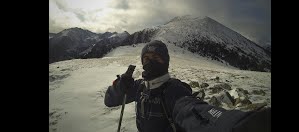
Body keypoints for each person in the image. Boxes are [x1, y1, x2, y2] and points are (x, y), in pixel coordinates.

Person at [104, 40, 271, 132]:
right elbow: (109, 101)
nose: (150, 61)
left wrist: (239, 124)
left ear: (166, 62)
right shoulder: (139, 86)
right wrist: (120, 86)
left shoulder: (173, 90)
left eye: (156, 57)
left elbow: (196, 111)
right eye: (146, 58)